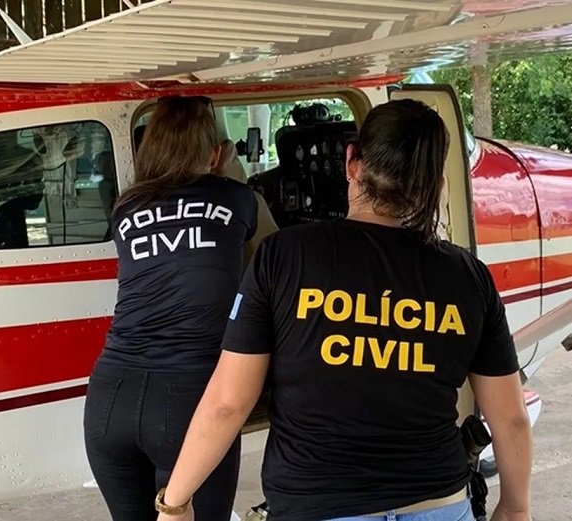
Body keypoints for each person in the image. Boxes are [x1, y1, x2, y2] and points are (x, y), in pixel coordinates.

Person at [155, 100, 533, 521]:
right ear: (436, 181)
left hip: (315, 506)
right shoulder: (468, 276)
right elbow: (510, 418)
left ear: (352, 161)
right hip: (439, 506)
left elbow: (228, 403)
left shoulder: (283, 255)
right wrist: (515, 508)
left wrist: (175, 503)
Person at [83, 96, 259, 521]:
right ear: (215, 153)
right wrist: (231, 172)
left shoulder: (126, 206)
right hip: (189, 400)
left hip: (109, 397)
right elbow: (262, 257)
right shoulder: (237, 198)